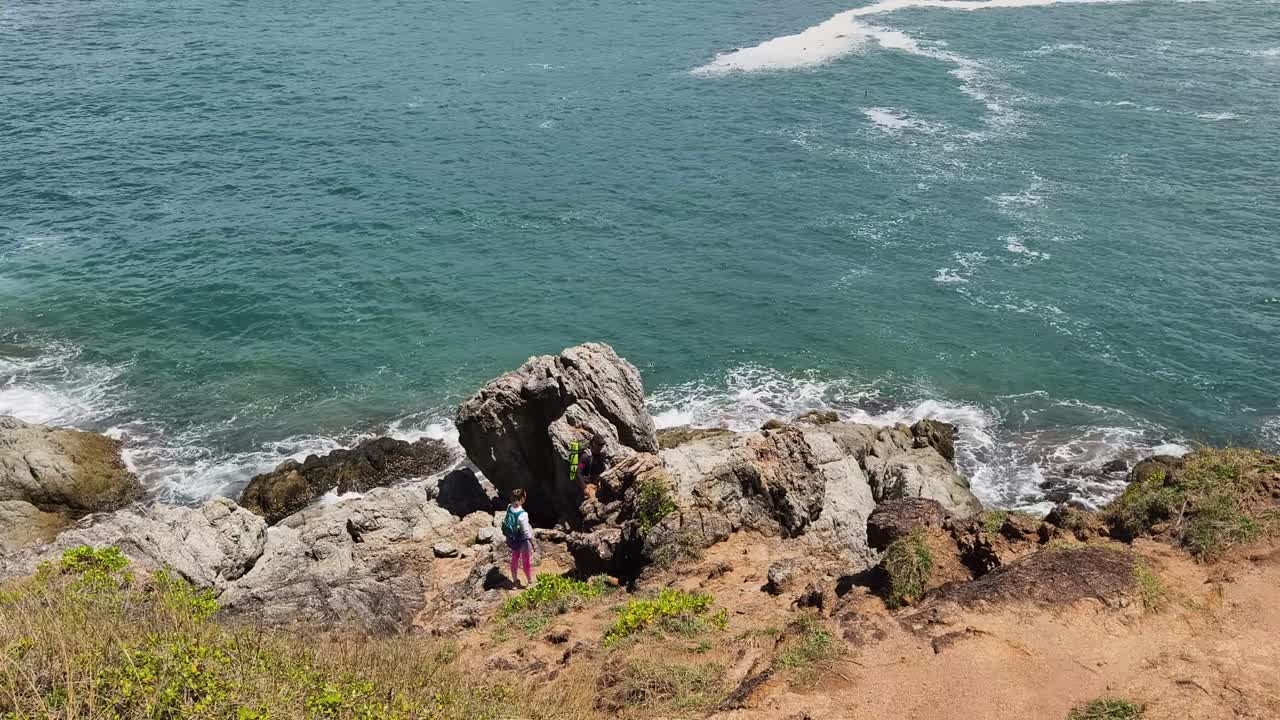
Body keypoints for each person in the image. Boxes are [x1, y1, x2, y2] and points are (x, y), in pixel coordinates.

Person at [501, 489, 536, 587]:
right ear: (522, 499)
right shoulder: (523, 514)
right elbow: (526, 532)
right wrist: (532, 542)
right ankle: (530, 582)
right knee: (526, 562)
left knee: (514, 559)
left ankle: (515, 581)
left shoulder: (509, 507)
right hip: (522, 541)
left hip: (512, 539)